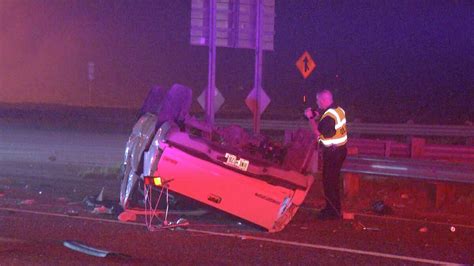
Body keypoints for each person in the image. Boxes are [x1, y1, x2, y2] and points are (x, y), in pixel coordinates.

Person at [304, 90, 348, 220]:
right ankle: (334, 209)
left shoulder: (329, 117)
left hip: (333, 153)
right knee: (332, 181)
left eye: (318, 101)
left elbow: (318, 133)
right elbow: (326, 116)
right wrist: (316, 113)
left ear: (323, 100)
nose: (317, 103)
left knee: (329, 182)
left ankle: (332, 212)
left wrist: (311, 118)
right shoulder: (338, 110)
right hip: (340, 151)